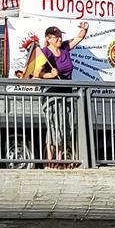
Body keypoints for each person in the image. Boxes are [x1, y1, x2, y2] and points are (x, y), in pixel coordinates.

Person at [38, 22, 89, 166]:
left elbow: (79, 38)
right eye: (56, 37)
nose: (59, 40)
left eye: (60, 37)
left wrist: (84, 28)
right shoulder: (44, 52)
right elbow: (37, 73)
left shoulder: (65, 47)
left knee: (64, 125)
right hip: (51, 95)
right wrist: (50, 75)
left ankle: (59, 159)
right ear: (48, 39)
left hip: (66, 94)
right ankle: (50, 160)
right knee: (54, 126)